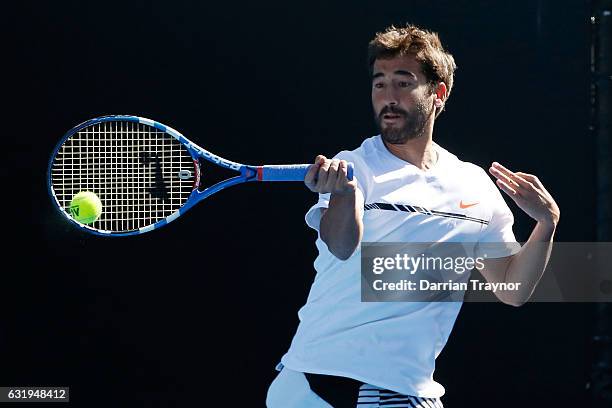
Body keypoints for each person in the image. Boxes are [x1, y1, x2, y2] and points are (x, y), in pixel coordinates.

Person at [266, 24, 560, 408]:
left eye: (403, 83)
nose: (388, 96)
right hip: (327, 384)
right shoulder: (354, 166)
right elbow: (340, 246)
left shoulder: (474, 185)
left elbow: (513, 290)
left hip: (405, 389)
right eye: (379, 83)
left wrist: (547, 223)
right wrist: (344, 195)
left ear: (438, 94)